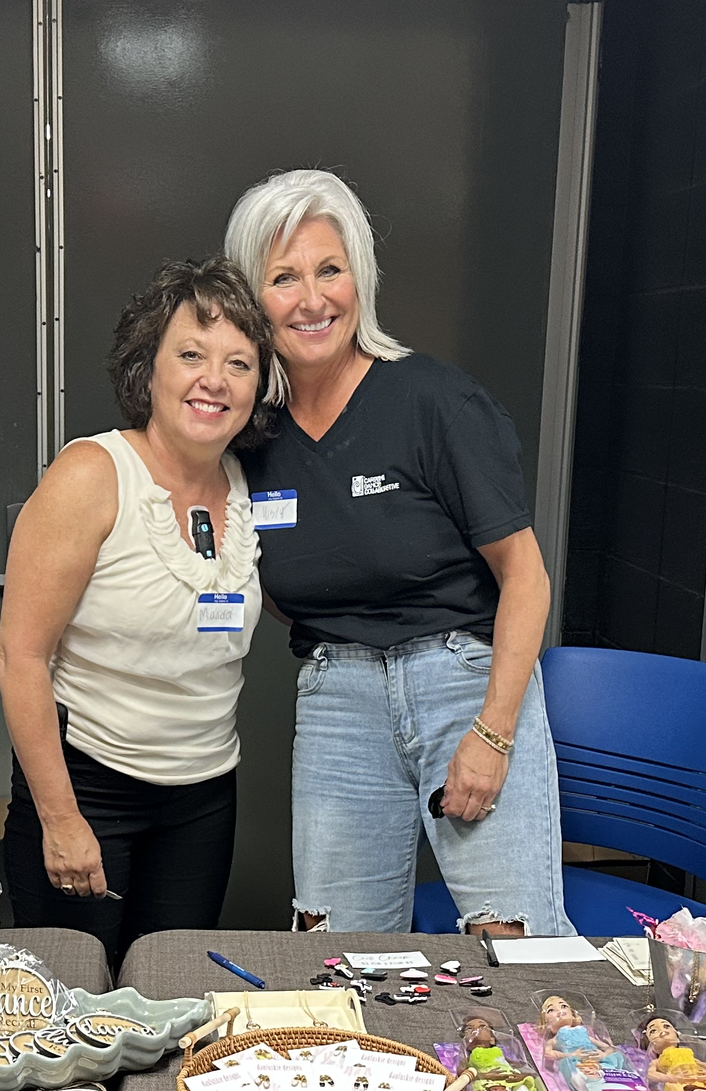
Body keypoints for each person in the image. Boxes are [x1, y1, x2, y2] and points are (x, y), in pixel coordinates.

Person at [225, 168, 574, 937]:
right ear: (253, 298)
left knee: (510, 946)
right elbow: (276, 583)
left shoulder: (435, 402)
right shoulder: (250, 432)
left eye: (329, 269)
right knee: (339, 953)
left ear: (361, 278)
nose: (312, 299)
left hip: (463, 684)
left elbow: (526, 578)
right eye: (283, 278)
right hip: (337, 700)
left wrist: (491, 731)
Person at [0, 257, 273, 963]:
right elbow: (19, 656)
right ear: (147, 368)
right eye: (191, 354)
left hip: (205, 800)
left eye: (239, 362)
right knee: (66, 1002)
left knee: (170, 998)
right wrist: (60, 818)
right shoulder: (91, 475)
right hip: (87, 786)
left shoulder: (253, 487)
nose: (214, 379)